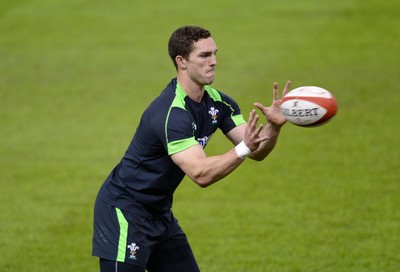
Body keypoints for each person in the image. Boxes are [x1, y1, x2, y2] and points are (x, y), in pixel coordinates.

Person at [92, 25, 291, 272]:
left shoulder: (219, 103)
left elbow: (257, 150)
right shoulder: (171, 114)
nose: (214, 61)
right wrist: (243, 149)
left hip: (159, 212)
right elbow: (201, 174)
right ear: (181, 61)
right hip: (124, 212)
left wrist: (273, 127)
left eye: (215, 53)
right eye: (204, 56)